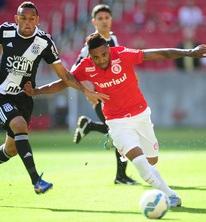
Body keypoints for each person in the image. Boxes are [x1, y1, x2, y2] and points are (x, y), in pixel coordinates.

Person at [23, 33, 206, 207]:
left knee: (152, 160)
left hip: (141, 115)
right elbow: (64, 81)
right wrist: (37, 91)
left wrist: (189, 52)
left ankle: (119, 143)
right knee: (141, 164)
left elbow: (158, 54)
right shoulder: (86, 66)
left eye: (104, 55)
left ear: (109, 49)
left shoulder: (122, 54)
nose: (101, 60)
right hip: (116, 121)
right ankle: (170, 195)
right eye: (96, 57)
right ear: (90, 56)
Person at [0, 2, 108, 195]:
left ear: (38, 20)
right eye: (23, 18)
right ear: (16, 19)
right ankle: (37, 181)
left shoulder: (44, 42)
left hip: (24, 97)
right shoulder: (5, 31)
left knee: (12, 149)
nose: (27, 23)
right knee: (19, 126)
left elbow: (65, 75)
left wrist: (86, 91)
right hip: (0, 94)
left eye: (31, 19)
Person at [71, 4, 138, 185]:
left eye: (106, 18)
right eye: (99, 18)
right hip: (103, 99)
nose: (104, 21)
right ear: (94, 22)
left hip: (117, 97)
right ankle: (120, 176)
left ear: (111, 19)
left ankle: (89, 126)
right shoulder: (90, 47)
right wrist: (89, 91)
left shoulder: (113, 40)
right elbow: (73, 72)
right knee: (120, 133)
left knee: (118, 131)